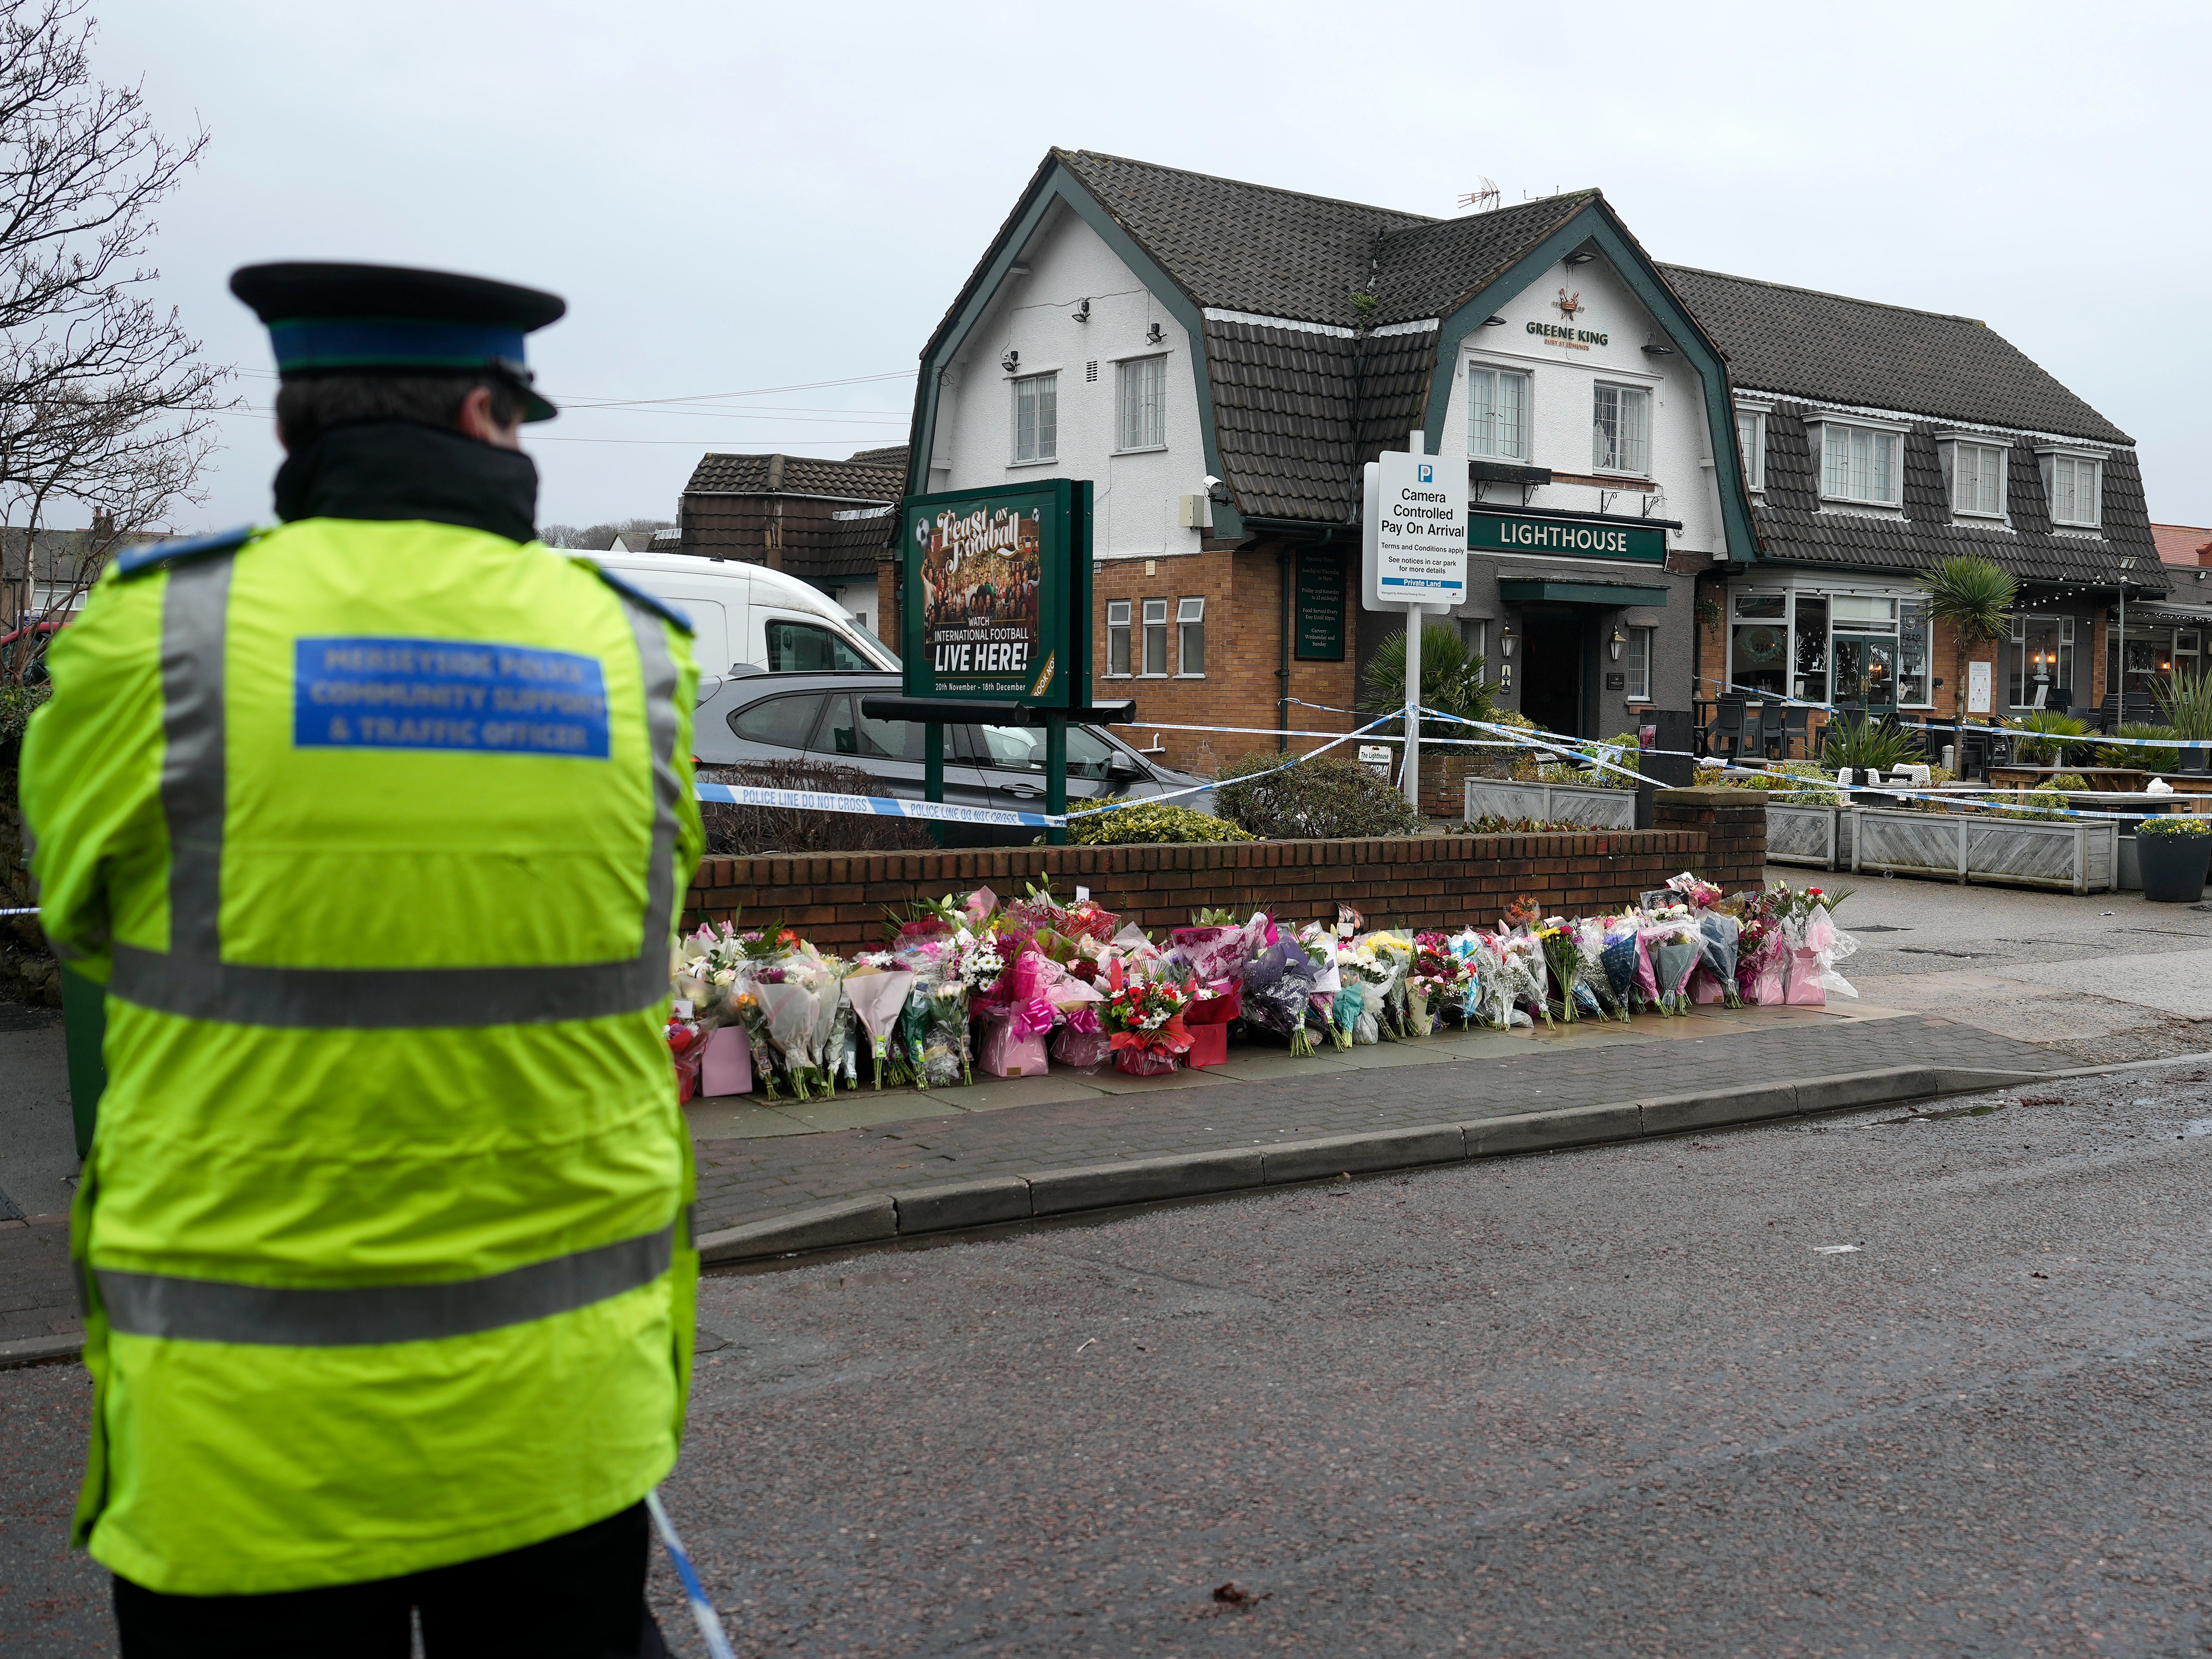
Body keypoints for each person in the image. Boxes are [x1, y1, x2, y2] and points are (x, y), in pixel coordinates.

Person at [19, 263, 704, 1657]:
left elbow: (85, 918)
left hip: (245, 1423)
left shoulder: (158, 636)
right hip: (558, 1406)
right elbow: (639, 916)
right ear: (481, 411)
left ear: (293, 429)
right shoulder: (634, 655)